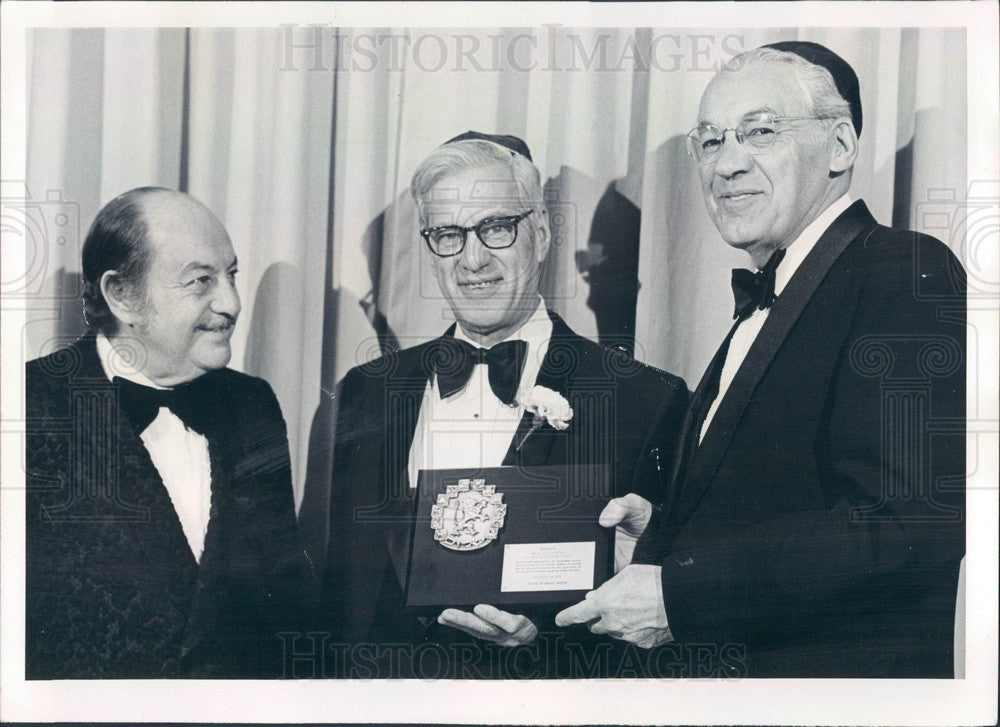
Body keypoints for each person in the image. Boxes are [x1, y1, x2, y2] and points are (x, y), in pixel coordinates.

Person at [557, 42, 966, 678]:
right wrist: (667, 536)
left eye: (761, 132)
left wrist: (680, 594)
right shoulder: (774, 295)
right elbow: (791, 506)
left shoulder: (902, 270)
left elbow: (906, 525)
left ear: (839, 147)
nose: (726, 165)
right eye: (711, 141)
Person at [321, 132, 689, 678]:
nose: (473, 260)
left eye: (495, 228)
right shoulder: (367, 389)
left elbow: (658, 618)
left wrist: (541, 645)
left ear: (539, 233)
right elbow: (343, 598)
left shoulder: (645, 398)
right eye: (448, 234)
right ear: (429, 248)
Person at [25, 188, 315, 678]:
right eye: (201, 281)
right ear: (122, 296)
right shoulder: (25, 407)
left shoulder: (253, 406)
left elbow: (283, 603)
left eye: (231, 276)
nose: (232, 303)